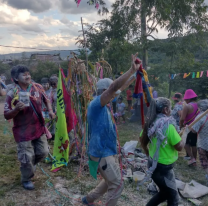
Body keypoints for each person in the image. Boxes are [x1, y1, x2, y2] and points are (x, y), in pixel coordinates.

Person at [82, 53, 140, 206]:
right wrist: (130, 70)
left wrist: (134, 76)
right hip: (101, 152)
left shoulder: (104, 104)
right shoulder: (96, 104)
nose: (116, 95)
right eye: (112, 92)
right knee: (117, 184)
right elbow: (114, 87)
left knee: (110, 180)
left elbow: (118, 88)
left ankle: (88, 200)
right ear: (104, 91)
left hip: (107, 150)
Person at [4, 65, 55, 190]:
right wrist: (16, 109)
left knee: (43, 152)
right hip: (23, 130)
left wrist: (50, 110)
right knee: (27, 157)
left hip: (38, 127)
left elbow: (46, 99)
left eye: (28, 73)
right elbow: (6, 115)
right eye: (24, 74)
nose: (27, 76)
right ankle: (26, 178)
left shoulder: (37, 87)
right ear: (16, 78)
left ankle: (29, 166)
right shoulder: (12, 93)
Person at [140, 97, 184, 206]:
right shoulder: (168, 126)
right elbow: (179, 147)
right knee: (173, 198)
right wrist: (184, 136)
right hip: (164, 169)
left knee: (165, 193)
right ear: (165, 110)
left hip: (153, 164)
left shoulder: (151, 123)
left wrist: (147, 153)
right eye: (170, 108)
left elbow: (142, 139)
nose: (171, 110)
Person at [180, 89, 199, 165]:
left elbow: (182, 118)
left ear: (188, 98)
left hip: (187, 127)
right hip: (195, 127)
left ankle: (192, 158)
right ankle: (194, 159)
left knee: (185, 143)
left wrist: (181, 125)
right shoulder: (198, 105)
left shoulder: (187, 106)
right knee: (193, 144)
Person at [191, 100, 208, 183]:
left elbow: (194, 130)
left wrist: (188, 128)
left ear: (201, 108)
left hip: (203, 144)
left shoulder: (201, 117)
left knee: (205, 163)